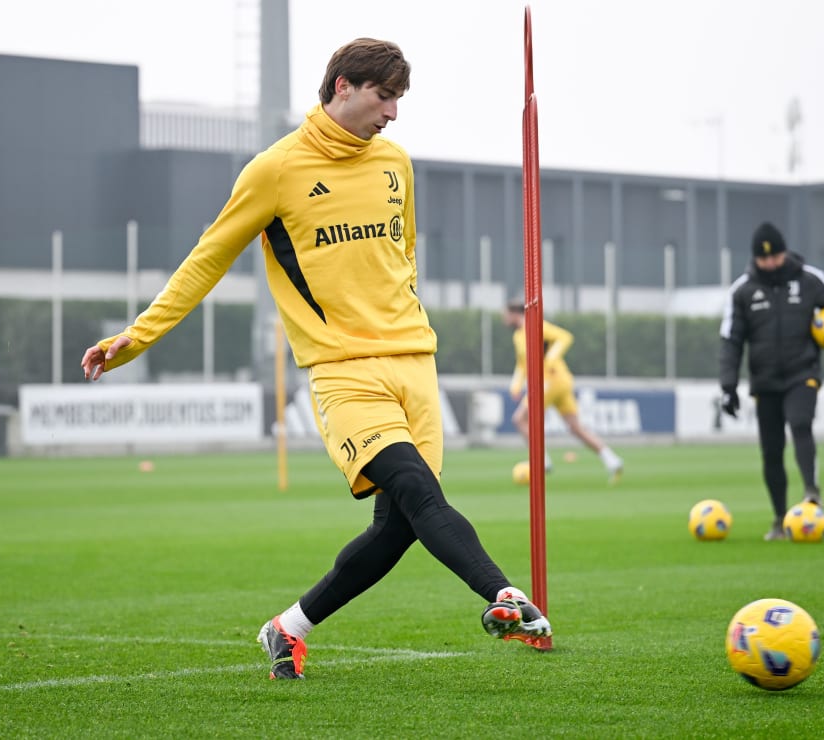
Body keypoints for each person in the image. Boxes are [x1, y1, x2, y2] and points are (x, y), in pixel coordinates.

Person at [80, 38, 551, 680]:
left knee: (398, 529)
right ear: (342, 88)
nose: (392, 113)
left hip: (415, 364)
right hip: (344, 372)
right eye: (385, 97)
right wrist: (136, 337)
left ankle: (287, 628)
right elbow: (206, 259)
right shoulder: (275, 170)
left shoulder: (396, 164)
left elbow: (404, 252)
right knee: (416, 489)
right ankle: (504, 596)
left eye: (398, 100)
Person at [719, 222, 824, 540]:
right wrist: (728, 387)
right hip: (765, 380)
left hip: (803, 373)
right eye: (764, 259)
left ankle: (812, 492)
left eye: (776, 256)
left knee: (801, 424)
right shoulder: (742, 290)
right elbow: (731, 340)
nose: (771, 263)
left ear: (785, 252)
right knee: (771, 450)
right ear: (755, 259)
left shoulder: (809, 279)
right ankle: (779, 517)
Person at [502, 298, 624, 482]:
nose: (504, 319)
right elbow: (522, 363)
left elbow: (565, 337)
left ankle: (542, 462)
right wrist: (516, 385)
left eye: (505, 315)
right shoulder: (518, 335)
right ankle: (611, 459)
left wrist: (550, 358)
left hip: (551, 379)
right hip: (559, 381)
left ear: (514, 314)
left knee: (519, 419)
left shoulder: (535, 326)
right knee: (575, 428)